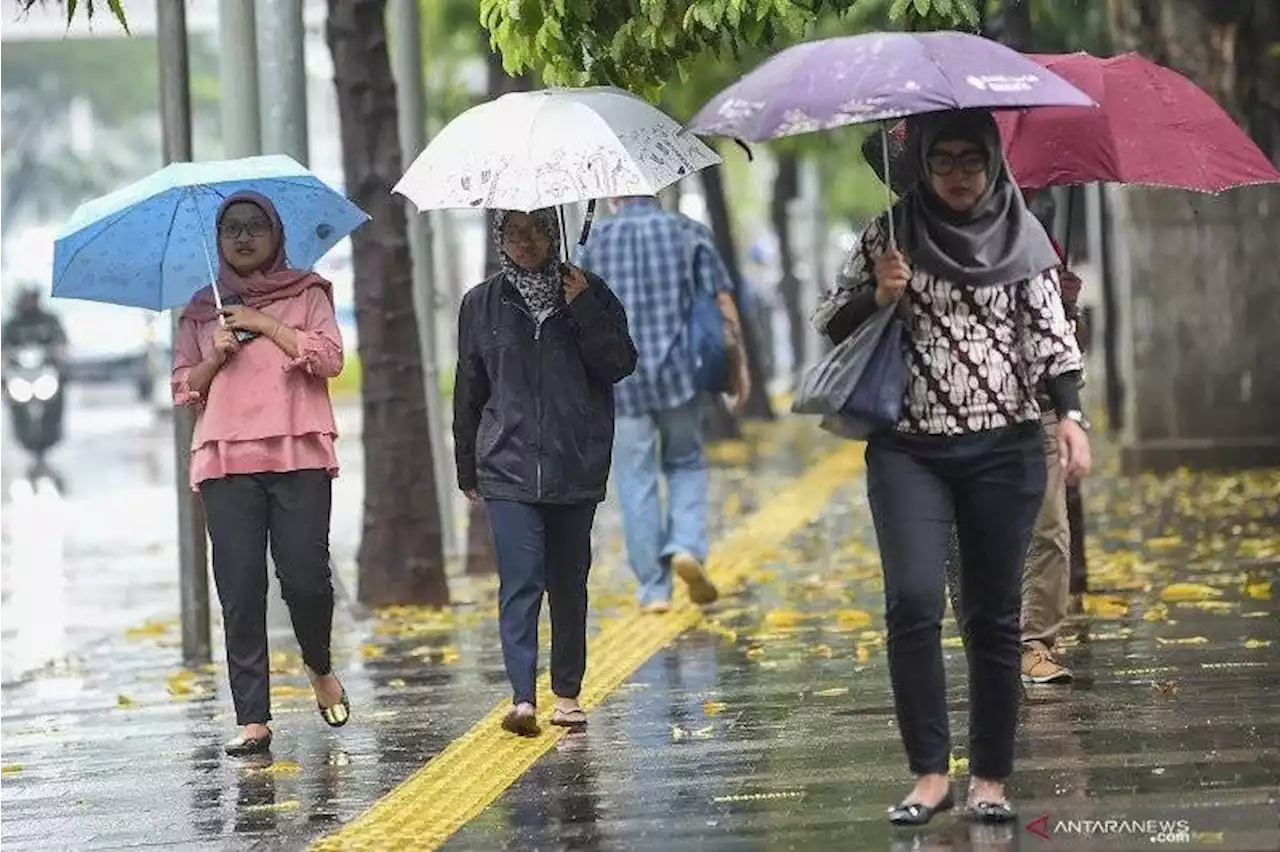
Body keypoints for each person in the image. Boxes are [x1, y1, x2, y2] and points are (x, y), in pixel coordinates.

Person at [814, 110, 1092, 825]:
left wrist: (1070, 417)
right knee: (911, 600)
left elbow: (1050, 337)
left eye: (972, 160)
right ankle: (930, 774)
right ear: (923, 166)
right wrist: (878, 293)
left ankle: (991, 780)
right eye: (945, 162)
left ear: (992, 162)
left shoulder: (1021, 232)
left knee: (993, 618)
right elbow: (829, 321)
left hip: (1002, 448)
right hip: (909, 448)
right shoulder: (890, 233)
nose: (960, 175)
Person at [171, 191, 350, 756]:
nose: (243, 237)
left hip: (298, 453)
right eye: (232, 229)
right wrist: (216, 353)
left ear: (276, 234)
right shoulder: (202, 307)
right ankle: (252, 717)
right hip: (225, 459)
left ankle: (318, 665)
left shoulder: (309, 292)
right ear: (219, 242)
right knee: (240, 589)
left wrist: (262, 322)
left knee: (305, 579)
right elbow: (184, 388)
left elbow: (330, 359)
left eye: (255, 226)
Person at [454, 208, 637, 736]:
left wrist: (582, 309)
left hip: (573, 460)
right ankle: (521, 699)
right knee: (520, 580)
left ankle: (568, 693)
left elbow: (619, 364)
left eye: (537, 230)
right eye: (514, 232)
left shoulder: (590, 291)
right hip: (506, 464)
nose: (526, 242)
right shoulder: (481, 303)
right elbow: (469, 388)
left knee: (567, 581)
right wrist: (467, 464)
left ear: (554, 233)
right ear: (499, 238)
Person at [574, 195, 750, 613]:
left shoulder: (591, 243)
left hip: (621, 381)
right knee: (685, 462)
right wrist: (739, 368)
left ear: (615, 194)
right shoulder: (688, 231)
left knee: (636, 480)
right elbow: (723, 304)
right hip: (681, 376)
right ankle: (686, 544)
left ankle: (654, 589)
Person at [1, 286, 67, 355]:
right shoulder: (13, 324)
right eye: (28, 298)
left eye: (33, 298)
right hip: (17, 361)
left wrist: (59, 348)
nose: (31, 302)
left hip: (47, 360)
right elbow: (4, 343)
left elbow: (61, 338)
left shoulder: (49, 320)